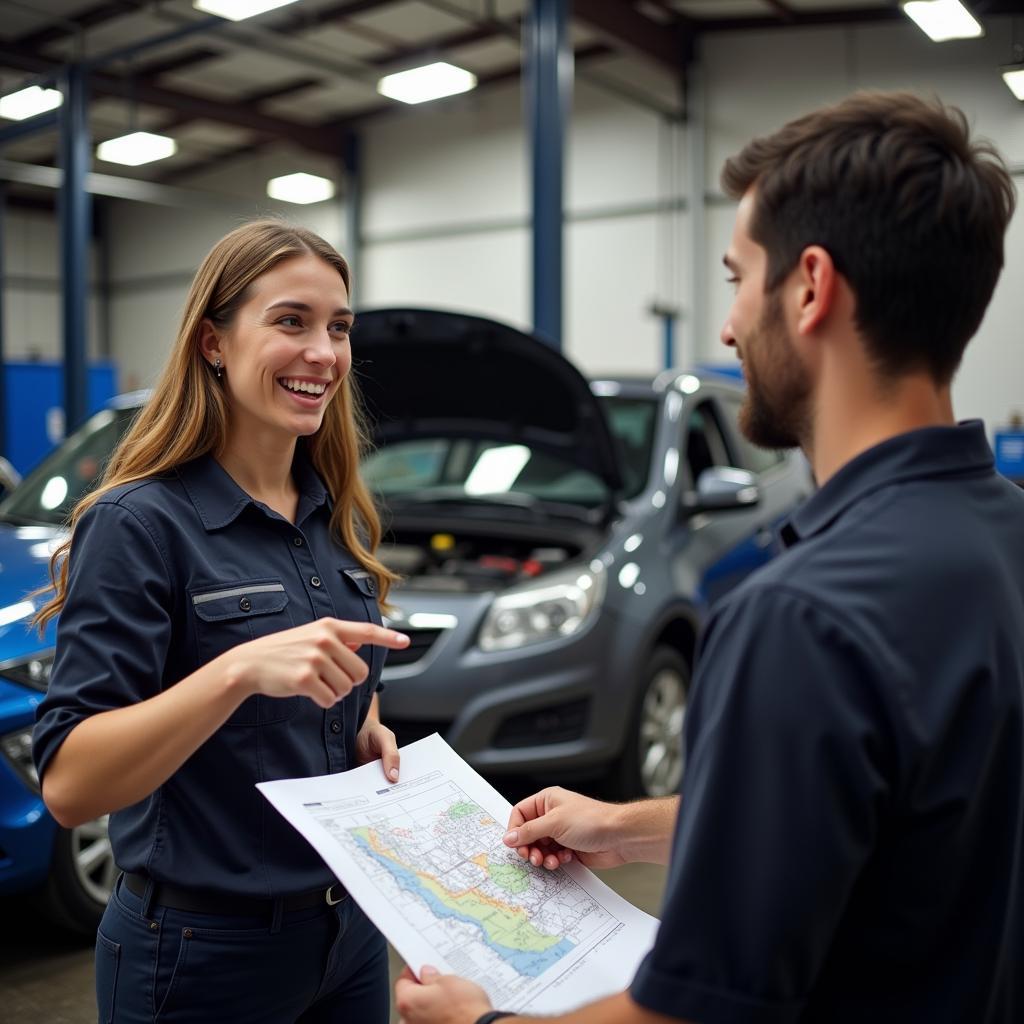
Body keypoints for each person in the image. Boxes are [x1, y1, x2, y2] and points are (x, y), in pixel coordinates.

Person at [394, 91, 1024, 1024]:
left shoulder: (802, 618)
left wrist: (480, 1022)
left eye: (738, 278)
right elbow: (905, 818)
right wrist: (625, 824)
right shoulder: (1006, 533)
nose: (728, 327)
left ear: (811, 287)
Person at [32, 219, 412, 1023]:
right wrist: (237, 672)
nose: (324, 352)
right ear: (213, 342)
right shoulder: (140, 524)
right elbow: (70, 783)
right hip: (203, 955)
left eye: (338, 328)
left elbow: (333, 679)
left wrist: (364, 725)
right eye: (290, 321)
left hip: (350, 934)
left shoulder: (334, 514)